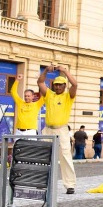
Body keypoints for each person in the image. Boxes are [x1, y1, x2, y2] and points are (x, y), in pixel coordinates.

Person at [38, 65, 78, 194]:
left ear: (65, 86)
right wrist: (45, 71)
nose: (58, 87)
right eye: (56, 85)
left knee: (65, 157)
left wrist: (65, 71)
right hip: (48, 130)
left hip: (62, 130)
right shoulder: (49, 94)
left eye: (60, 85)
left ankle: (70, 185)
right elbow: (40, 82)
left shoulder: (68, 96)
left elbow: (75, 84)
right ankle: (43, 182)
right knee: (44, 157)